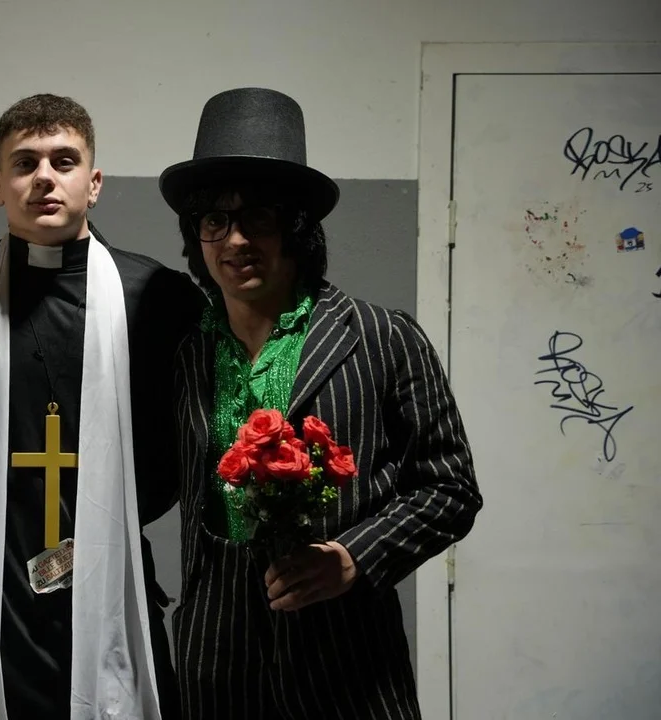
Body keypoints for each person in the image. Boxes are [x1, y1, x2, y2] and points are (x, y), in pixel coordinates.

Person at [158, 87, 484, 719]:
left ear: (297, 227)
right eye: (215, 221)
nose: (235, 240)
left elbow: (450, 487)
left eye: (258, 218)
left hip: (346, 659)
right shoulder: (186, 354)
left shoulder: (383, 337)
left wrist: (354, 557)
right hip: (215, 661)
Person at [0, 93, 207, 719]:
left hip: (110, 563)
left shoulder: (156, 295)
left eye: (64, 161)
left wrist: (111, 518)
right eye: (24, 163)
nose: (44, 178)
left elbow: (188, 441)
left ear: (95, 181)